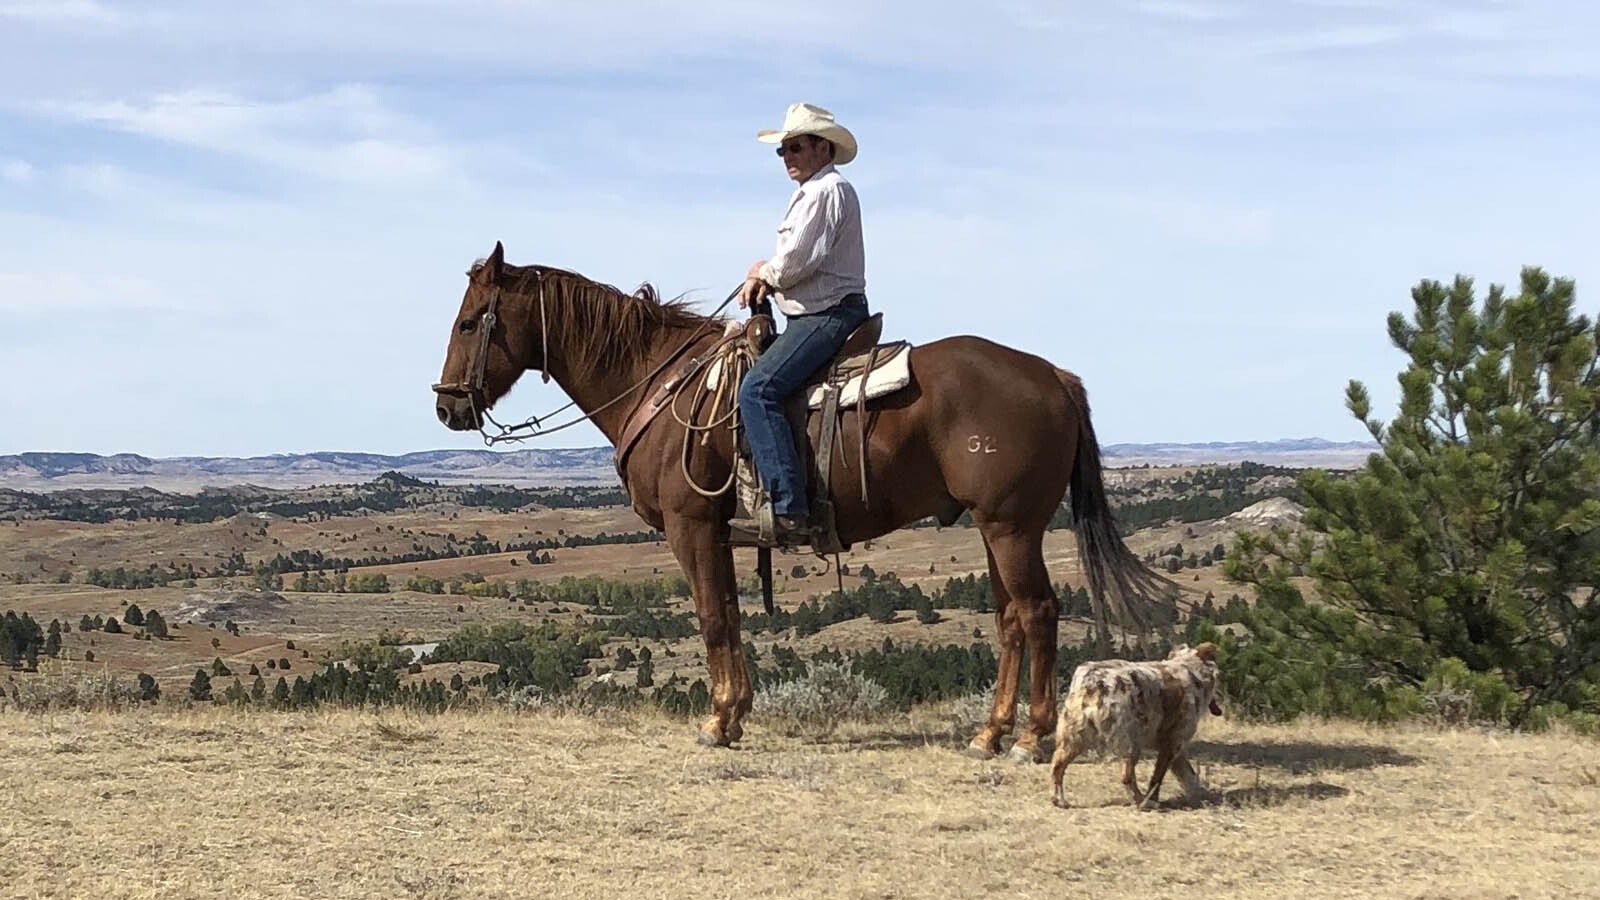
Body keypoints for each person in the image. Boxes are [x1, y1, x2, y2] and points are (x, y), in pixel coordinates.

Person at [730, 102, 870, 544]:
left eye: (796, 147)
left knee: (757, 390)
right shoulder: (814, 191)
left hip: (827, 314)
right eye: (782, 150)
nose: (787, 156)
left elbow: (796, 262)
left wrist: (763, 274)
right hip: (816, 312)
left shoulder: (826, 191)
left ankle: (789, 508)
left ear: (823, 148)